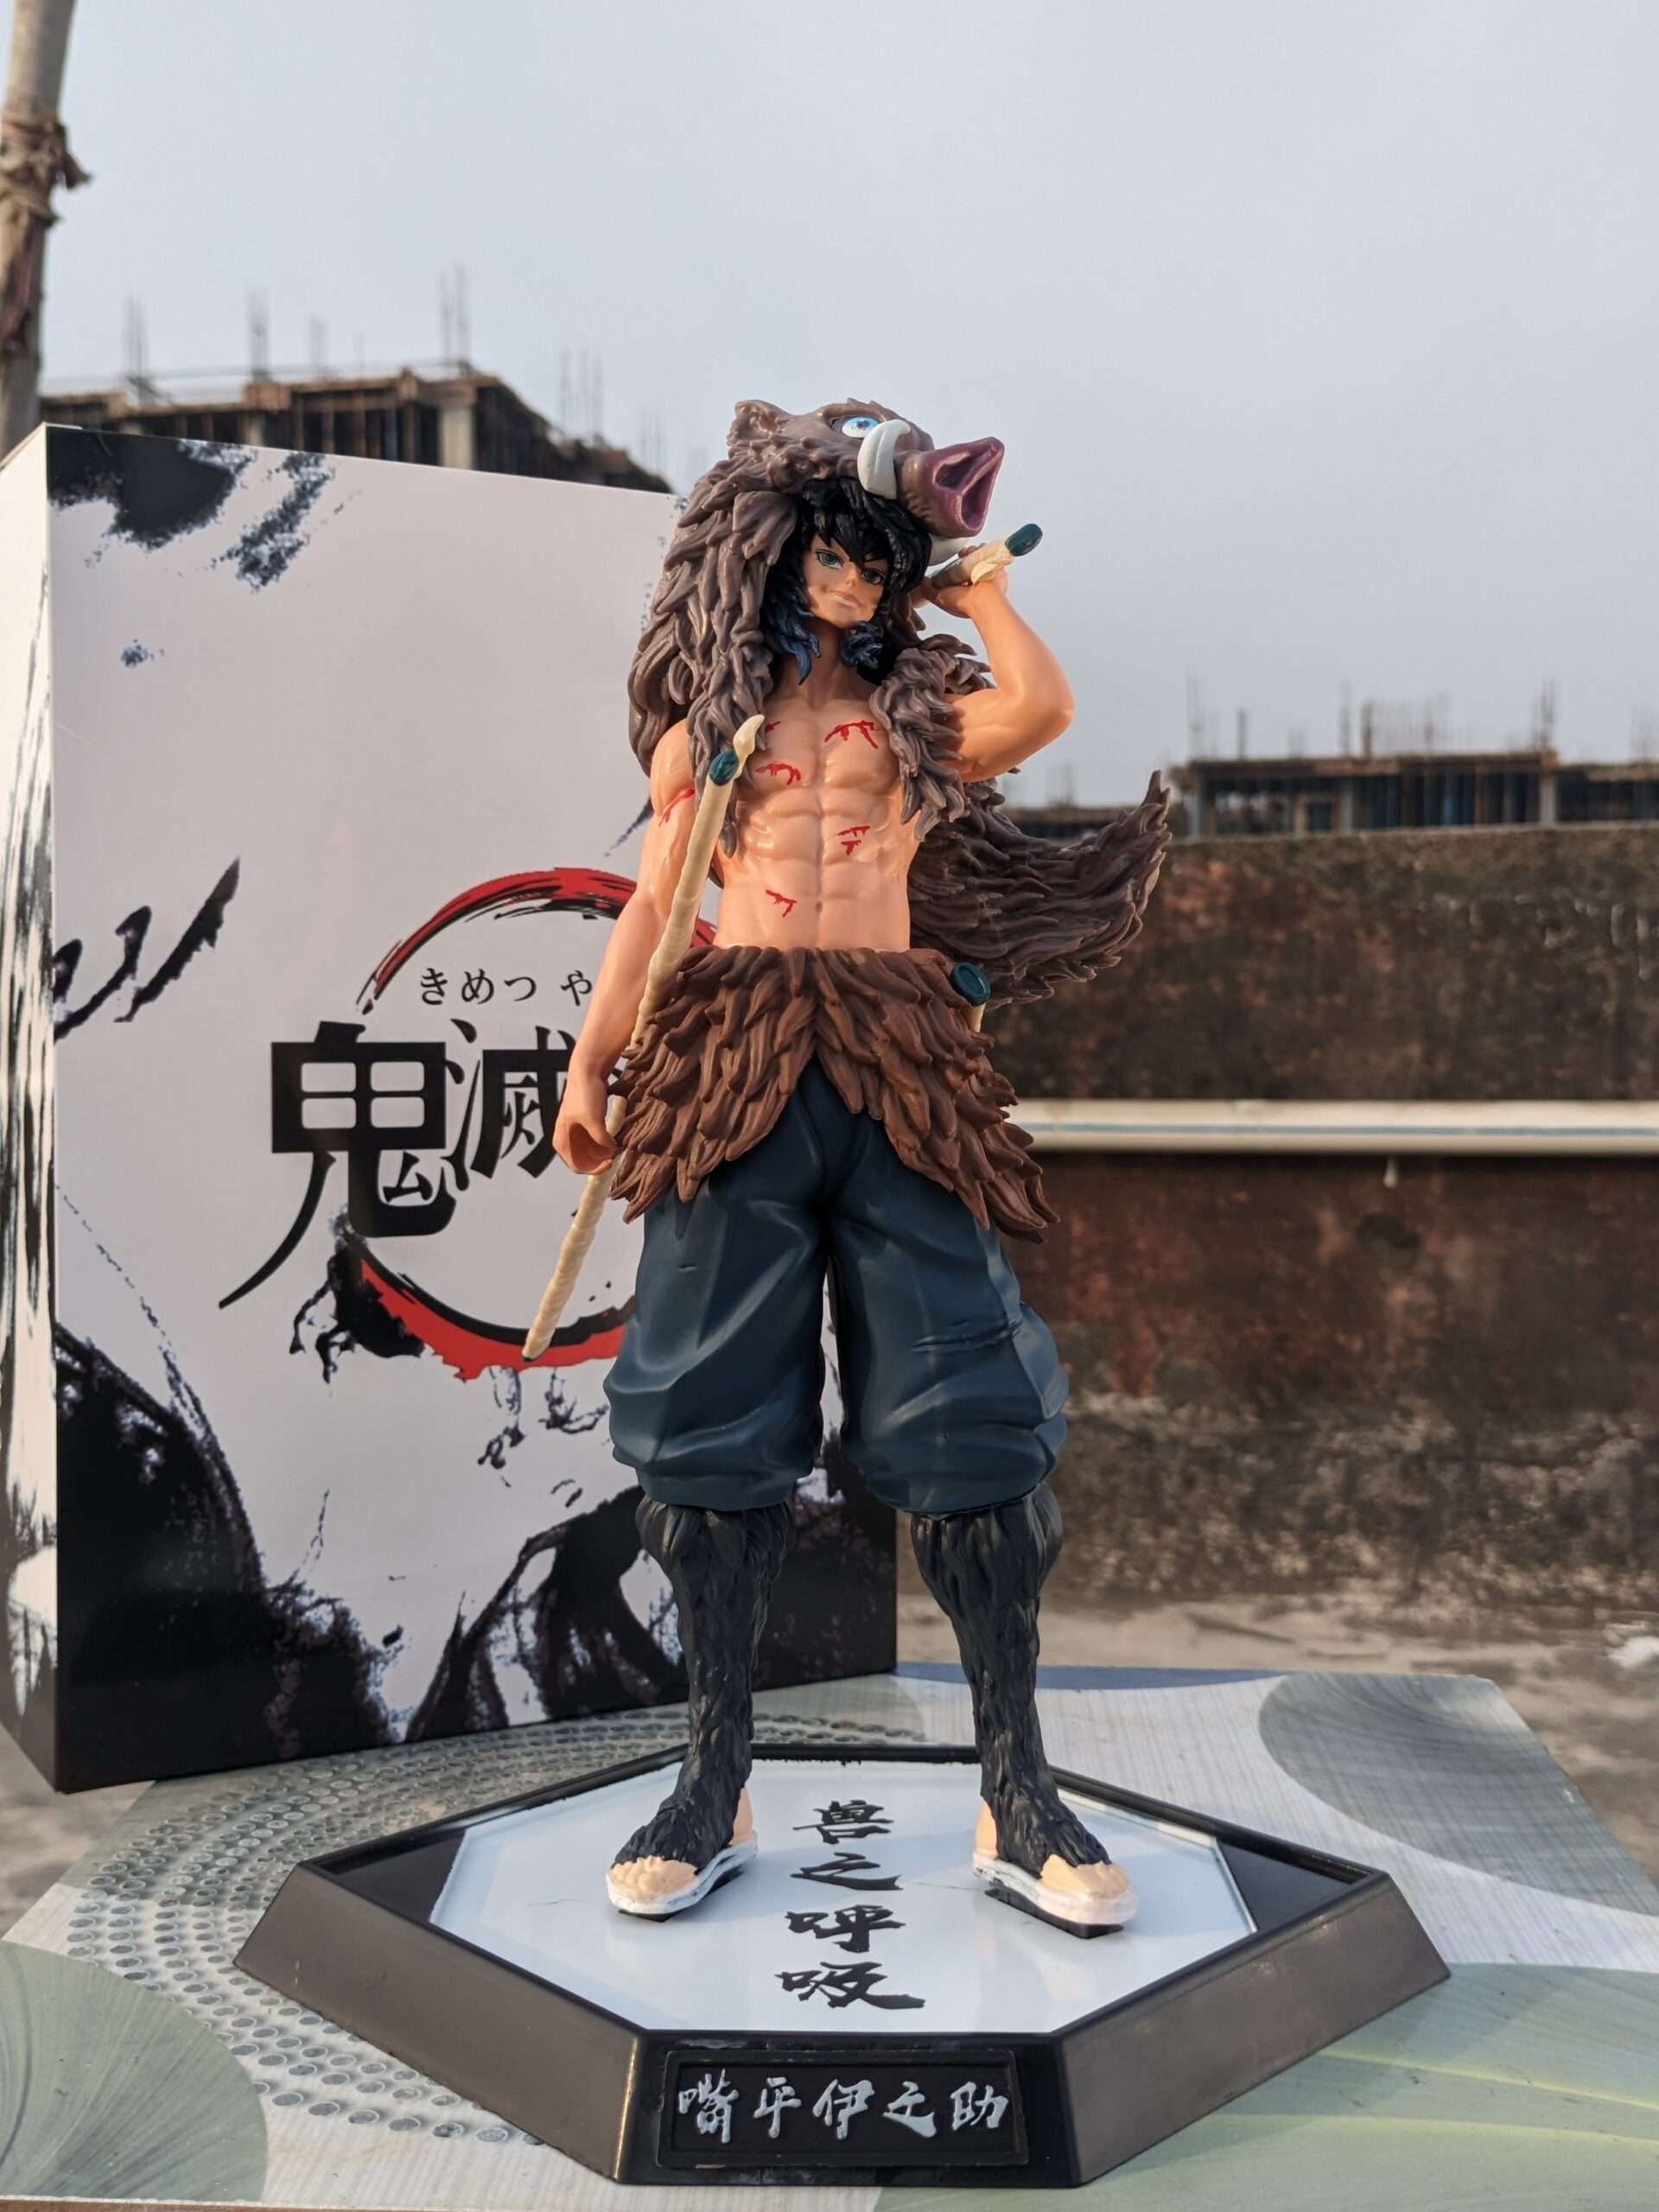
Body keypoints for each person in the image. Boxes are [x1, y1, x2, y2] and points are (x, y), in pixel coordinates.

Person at [551, 397, 1168, 1935]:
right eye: (832, 552)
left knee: (973, 1415)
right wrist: (590, 1057)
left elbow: (1042, 710)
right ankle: (713, 1776)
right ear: (775, 554)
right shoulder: (710, 730)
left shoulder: (911, 724)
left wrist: (986, 591)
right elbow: (655, 906)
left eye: (877, 559)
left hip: (895, 1054)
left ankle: (1017, 1786)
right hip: (736, 1050)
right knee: (703, 1427)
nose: (851, 579)